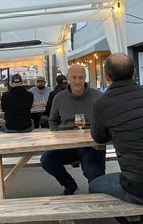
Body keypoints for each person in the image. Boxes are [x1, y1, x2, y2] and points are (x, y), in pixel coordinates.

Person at [40, 64, 105, 195]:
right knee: (47, 160)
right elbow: (53, 120)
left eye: (81, 77)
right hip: (66, 144)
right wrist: (58, 137)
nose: (77, 81)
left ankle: (98, 200)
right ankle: (70, 185)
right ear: (68, 78)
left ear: (85, 78)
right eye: (74, 77)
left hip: (91, 145)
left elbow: (104, 119)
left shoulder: (97, 96)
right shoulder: (59, 97)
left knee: (94, 174)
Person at [90, 53, 143, 205]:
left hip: (137, 187)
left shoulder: (101, 103)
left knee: (94, 185)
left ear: (107, 77)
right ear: (134, 71)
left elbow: (99, 138)